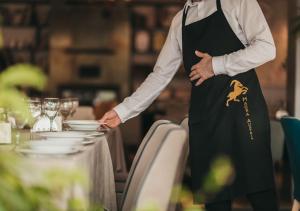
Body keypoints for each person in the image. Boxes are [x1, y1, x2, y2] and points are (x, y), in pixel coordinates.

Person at [100, 0, 279, 210]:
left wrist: (215, 64)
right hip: (206, 118)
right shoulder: (180, 21)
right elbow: (160, 75)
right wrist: (122, 112)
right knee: (214, 198)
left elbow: (267, 48)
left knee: (260, 191)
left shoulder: (237, 2)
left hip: (243, 111)